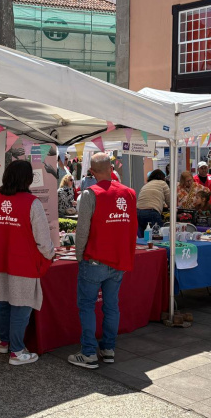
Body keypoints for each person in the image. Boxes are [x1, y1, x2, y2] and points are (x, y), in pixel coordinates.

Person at [69, 153, 137, 369]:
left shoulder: (91, 194)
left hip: (95, 259)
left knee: (88, 306)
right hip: (118, 260)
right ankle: (108, 349)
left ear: (91, 172)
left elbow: (82, 230)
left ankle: (88, 353)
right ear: (111, 169)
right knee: (111, 306)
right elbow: (132, 227)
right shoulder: (129, 193)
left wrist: (80, 256)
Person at [0, 160, 54, 365]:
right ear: (28, 179)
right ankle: (17, 351)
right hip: (24, 265)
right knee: (21, 306)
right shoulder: (32, 203)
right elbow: (42, 239)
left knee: (4, 303)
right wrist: (49, 255)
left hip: (1, 261)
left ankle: (4, 342)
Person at [136, 169, 169, 237]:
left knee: (144, 239)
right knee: (158, 238)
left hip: (138, 212)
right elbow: (169, 200)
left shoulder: (146, 185)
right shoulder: (162, 183)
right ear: (163, 178)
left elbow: (153, 197)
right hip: (152, 212)